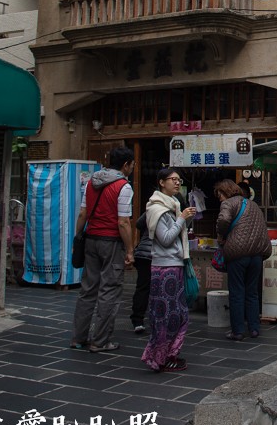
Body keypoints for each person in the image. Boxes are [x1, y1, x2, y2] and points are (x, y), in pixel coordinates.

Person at [71, 146, 136, 353]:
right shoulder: (123, 186)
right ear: (125, 165)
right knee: (109, 290)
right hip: (111, 242)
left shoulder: (92, 182)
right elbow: (123, 222)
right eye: (132, 165)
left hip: (90, 239)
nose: (132, 169)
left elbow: (82, 214)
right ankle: (100, 341)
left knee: (88, 289)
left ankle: (78, 338)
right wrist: (129, 250)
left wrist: (78, 238)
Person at [141, 167, 197, 372]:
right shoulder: (157, 208)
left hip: (174, 265)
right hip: (165, 268)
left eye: (179, 179)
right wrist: (182, 218)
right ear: (161, 182)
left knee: (178, 314)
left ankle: (169, 354)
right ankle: (161, 357)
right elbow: (165, 239)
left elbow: (175, 233)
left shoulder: (172, 205)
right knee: (167, 316)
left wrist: (185, 218)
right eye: (172, 179)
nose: (177, 182)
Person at [215, 178, 271, 341]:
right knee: (252, 293)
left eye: (219, 195)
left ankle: (237, 331)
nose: (219, 198)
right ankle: (254, 328)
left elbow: (224, 220)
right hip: (256, 255)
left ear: (225, 192)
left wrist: (221, 233)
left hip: (238, 254)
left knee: (237, 292)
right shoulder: (253, 205)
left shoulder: (228, 203)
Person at [129, 212, 151, 334]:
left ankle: (138, 319)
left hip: (143, 253)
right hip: (156, 254)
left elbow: (138, 224)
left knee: (142, 287)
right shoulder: (173, 209)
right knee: (151, 288)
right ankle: (140, 318)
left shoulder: (151, 207)